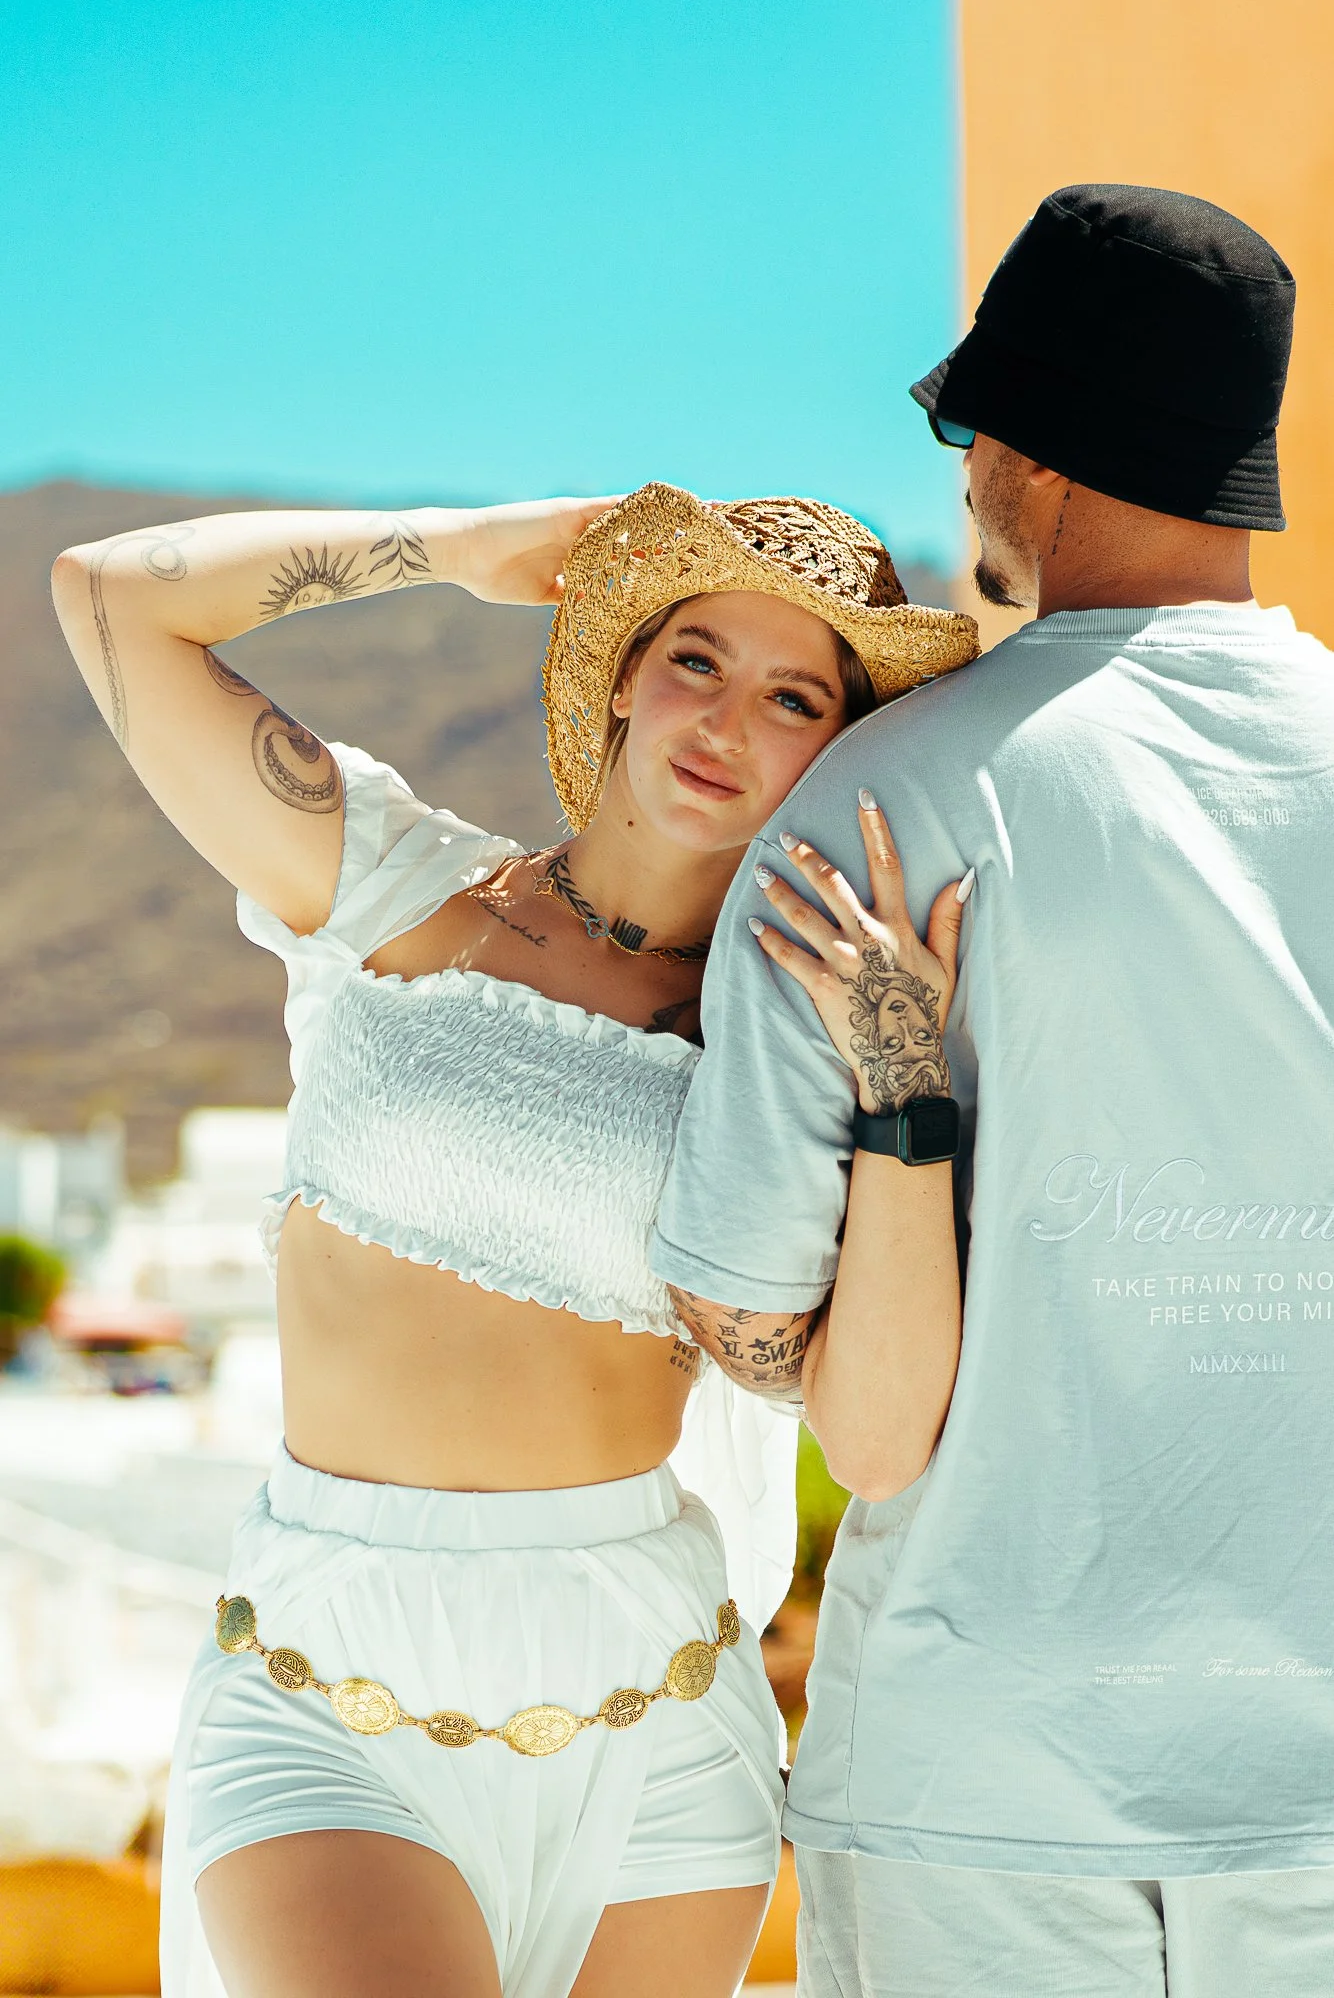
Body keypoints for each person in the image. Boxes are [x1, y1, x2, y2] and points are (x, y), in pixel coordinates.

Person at [50, 480, 977, 1998]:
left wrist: (897, 1075)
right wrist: (464, 548)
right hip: (324, 1681)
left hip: (653, 1708)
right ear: (620, 671)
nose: (726, 719)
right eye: (695, 658)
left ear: (832, 748)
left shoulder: (786, 1058)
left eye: (792, 694)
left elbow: (872, 1428)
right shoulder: (394, 887)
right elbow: (107, 597)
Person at [654, 184, 1334, 1996]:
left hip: (980, 1781)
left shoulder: (878, 801)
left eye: (965, 435)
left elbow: (745, 1316)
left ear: (1024, 462)